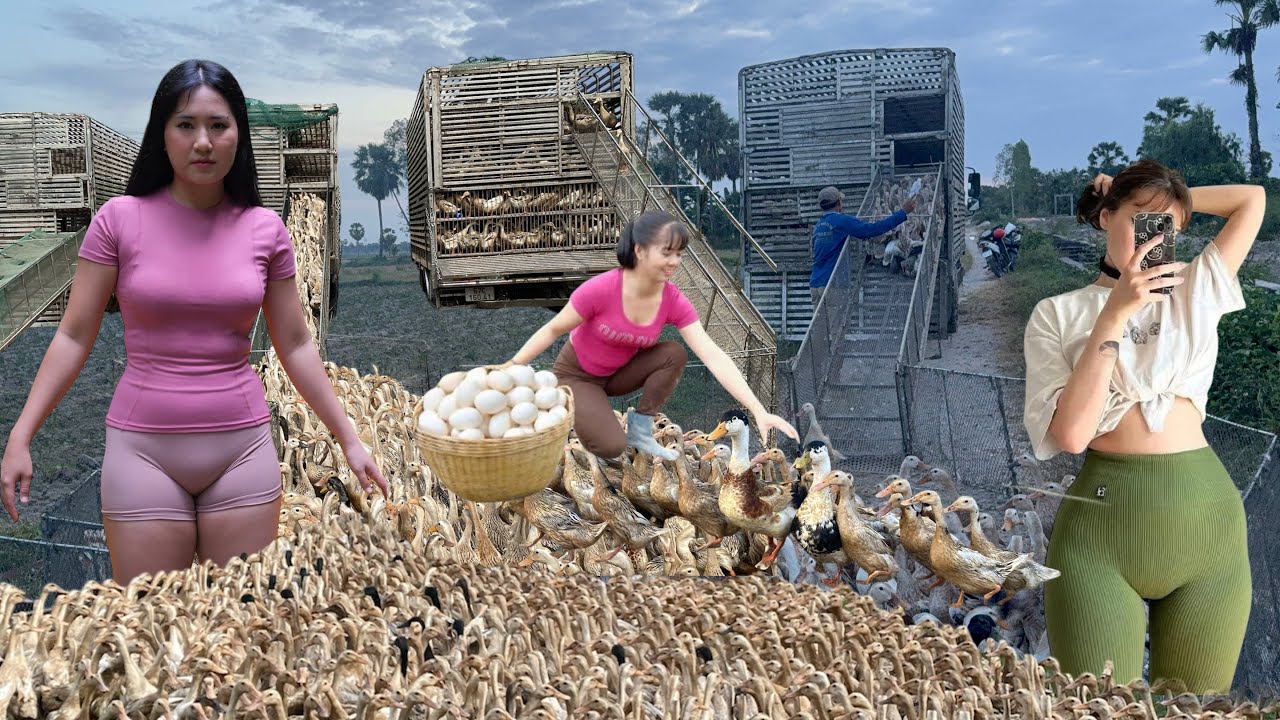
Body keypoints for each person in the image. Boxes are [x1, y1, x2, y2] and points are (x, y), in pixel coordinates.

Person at [0, 60, 387, 584]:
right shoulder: (118, 221)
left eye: (218, 126)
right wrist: (22, 434)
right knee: (153, 628)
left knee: (236, 631)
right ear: (162, 135)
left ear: (238, 137)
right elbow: (73, 335)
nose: (202, 141)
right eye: (186, 125)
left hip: (242, 454)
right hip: (143, 456)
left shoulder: (264, 230)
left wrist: (349, 439)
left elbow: (294, 344)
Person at [1023, 159, 1263, 693]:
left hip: (1209, 532)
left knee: (1199, 709)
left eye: (1169, 228)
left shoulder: (1196, 290)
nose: (1157, 236)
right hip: (1100, 537)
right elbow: (1070, 436)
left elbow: (1252, 200)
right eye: (1141, 220)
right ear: (1105, 216)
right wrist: (1115, 312)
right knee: (1095, 706)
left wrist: (1163, 196)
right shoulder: (1056, 313)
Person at [510, 210, 799, 460]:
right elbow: (552, 329)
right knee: (610, 446)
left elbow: (713, 355)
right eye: (666, 252)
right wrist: (513, 367)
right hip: (578, 376)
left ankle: (640, 431)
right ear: (639, 251)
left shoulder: (672, 299)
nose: (675, 261)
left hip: (619, 374)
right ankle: (562, 405)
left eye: (679, 254)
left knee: (674, 353)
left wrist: (758, 409)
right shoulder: (600, 289)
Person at [809, 185, 916, 304]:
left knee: (820, 322)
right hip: (833, 284)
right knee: (838, 322)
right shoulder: (841, 221)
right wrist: (902, 213)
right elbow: (872, 230)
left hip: (815, 283)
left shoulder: (818, 226)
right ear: (838, 203)